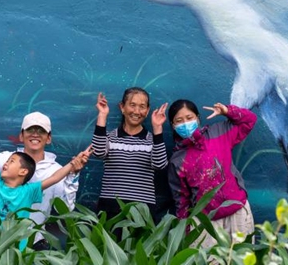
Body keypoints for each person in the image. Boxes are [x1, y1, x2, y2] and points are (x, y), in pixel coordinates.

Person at [0, 110, 90, 251]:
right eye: (30, 130)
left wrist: (73, 172)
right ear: (21, 136)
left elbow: (65, 206)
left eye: (41, 131)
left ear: (49, 138)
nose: (35, 134)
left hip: (31, 244)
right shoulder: (3, 161)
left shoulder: (52, 172)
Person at [167, 99, 257, 248]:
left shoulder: (219, 132)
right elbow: (181, 200)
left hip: (237, 212)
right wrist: (185, 231)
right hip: (206, 222)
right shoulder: (177, 161)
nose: (185, 123)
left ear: (197, 118)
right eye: (179, 121)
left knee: (242, 257)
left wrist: (228, 111)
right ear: (173, 126)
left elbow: (249, 120)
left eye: (189, 118)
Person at [91, 88, 168, 219]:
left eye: (142, 107)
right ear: (122, 107)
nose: (137, 111)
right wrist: (102, 115)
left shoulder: (153, 140)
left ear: (148, 111)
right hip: (110, 208)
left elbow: (160, 164)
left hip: (142, 210)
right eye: (132, 105)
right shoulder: (110, 137)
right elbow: (98, 152)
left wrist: (157, 129)